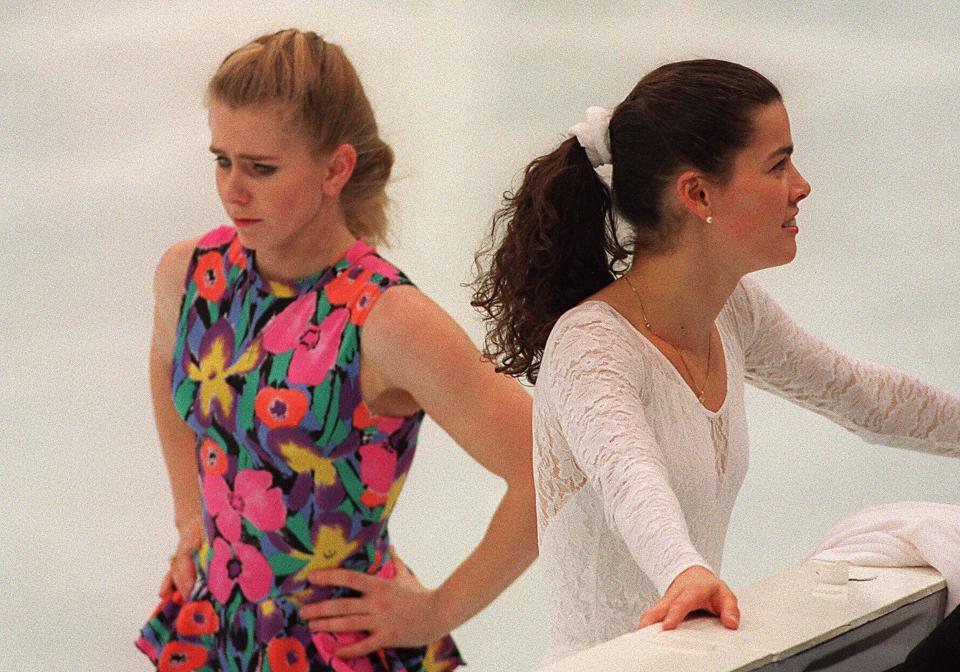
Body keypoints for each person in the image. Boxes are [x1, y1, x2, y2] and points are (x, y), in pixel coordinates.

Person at [471, 59, 960, 664]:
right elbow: (631, 478)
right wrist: (684, 570)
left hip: (698, 654)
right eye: (777, 165)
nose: (800, 186)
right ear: (698, 193)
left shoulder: (734, 312)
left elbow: (861, 395)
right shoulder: (591, 344)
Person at [136, 28, 536, 672]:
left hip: (335, 649)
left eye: (261, 168)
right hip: (216, 630)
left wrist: (435, 612)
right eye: (222, 160)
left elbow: (552, 472)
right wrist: (192, 518)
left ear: (335, 168)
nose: (233, 189)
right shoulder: (191, 274)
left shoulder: (387, 320)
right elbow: (165, 368)